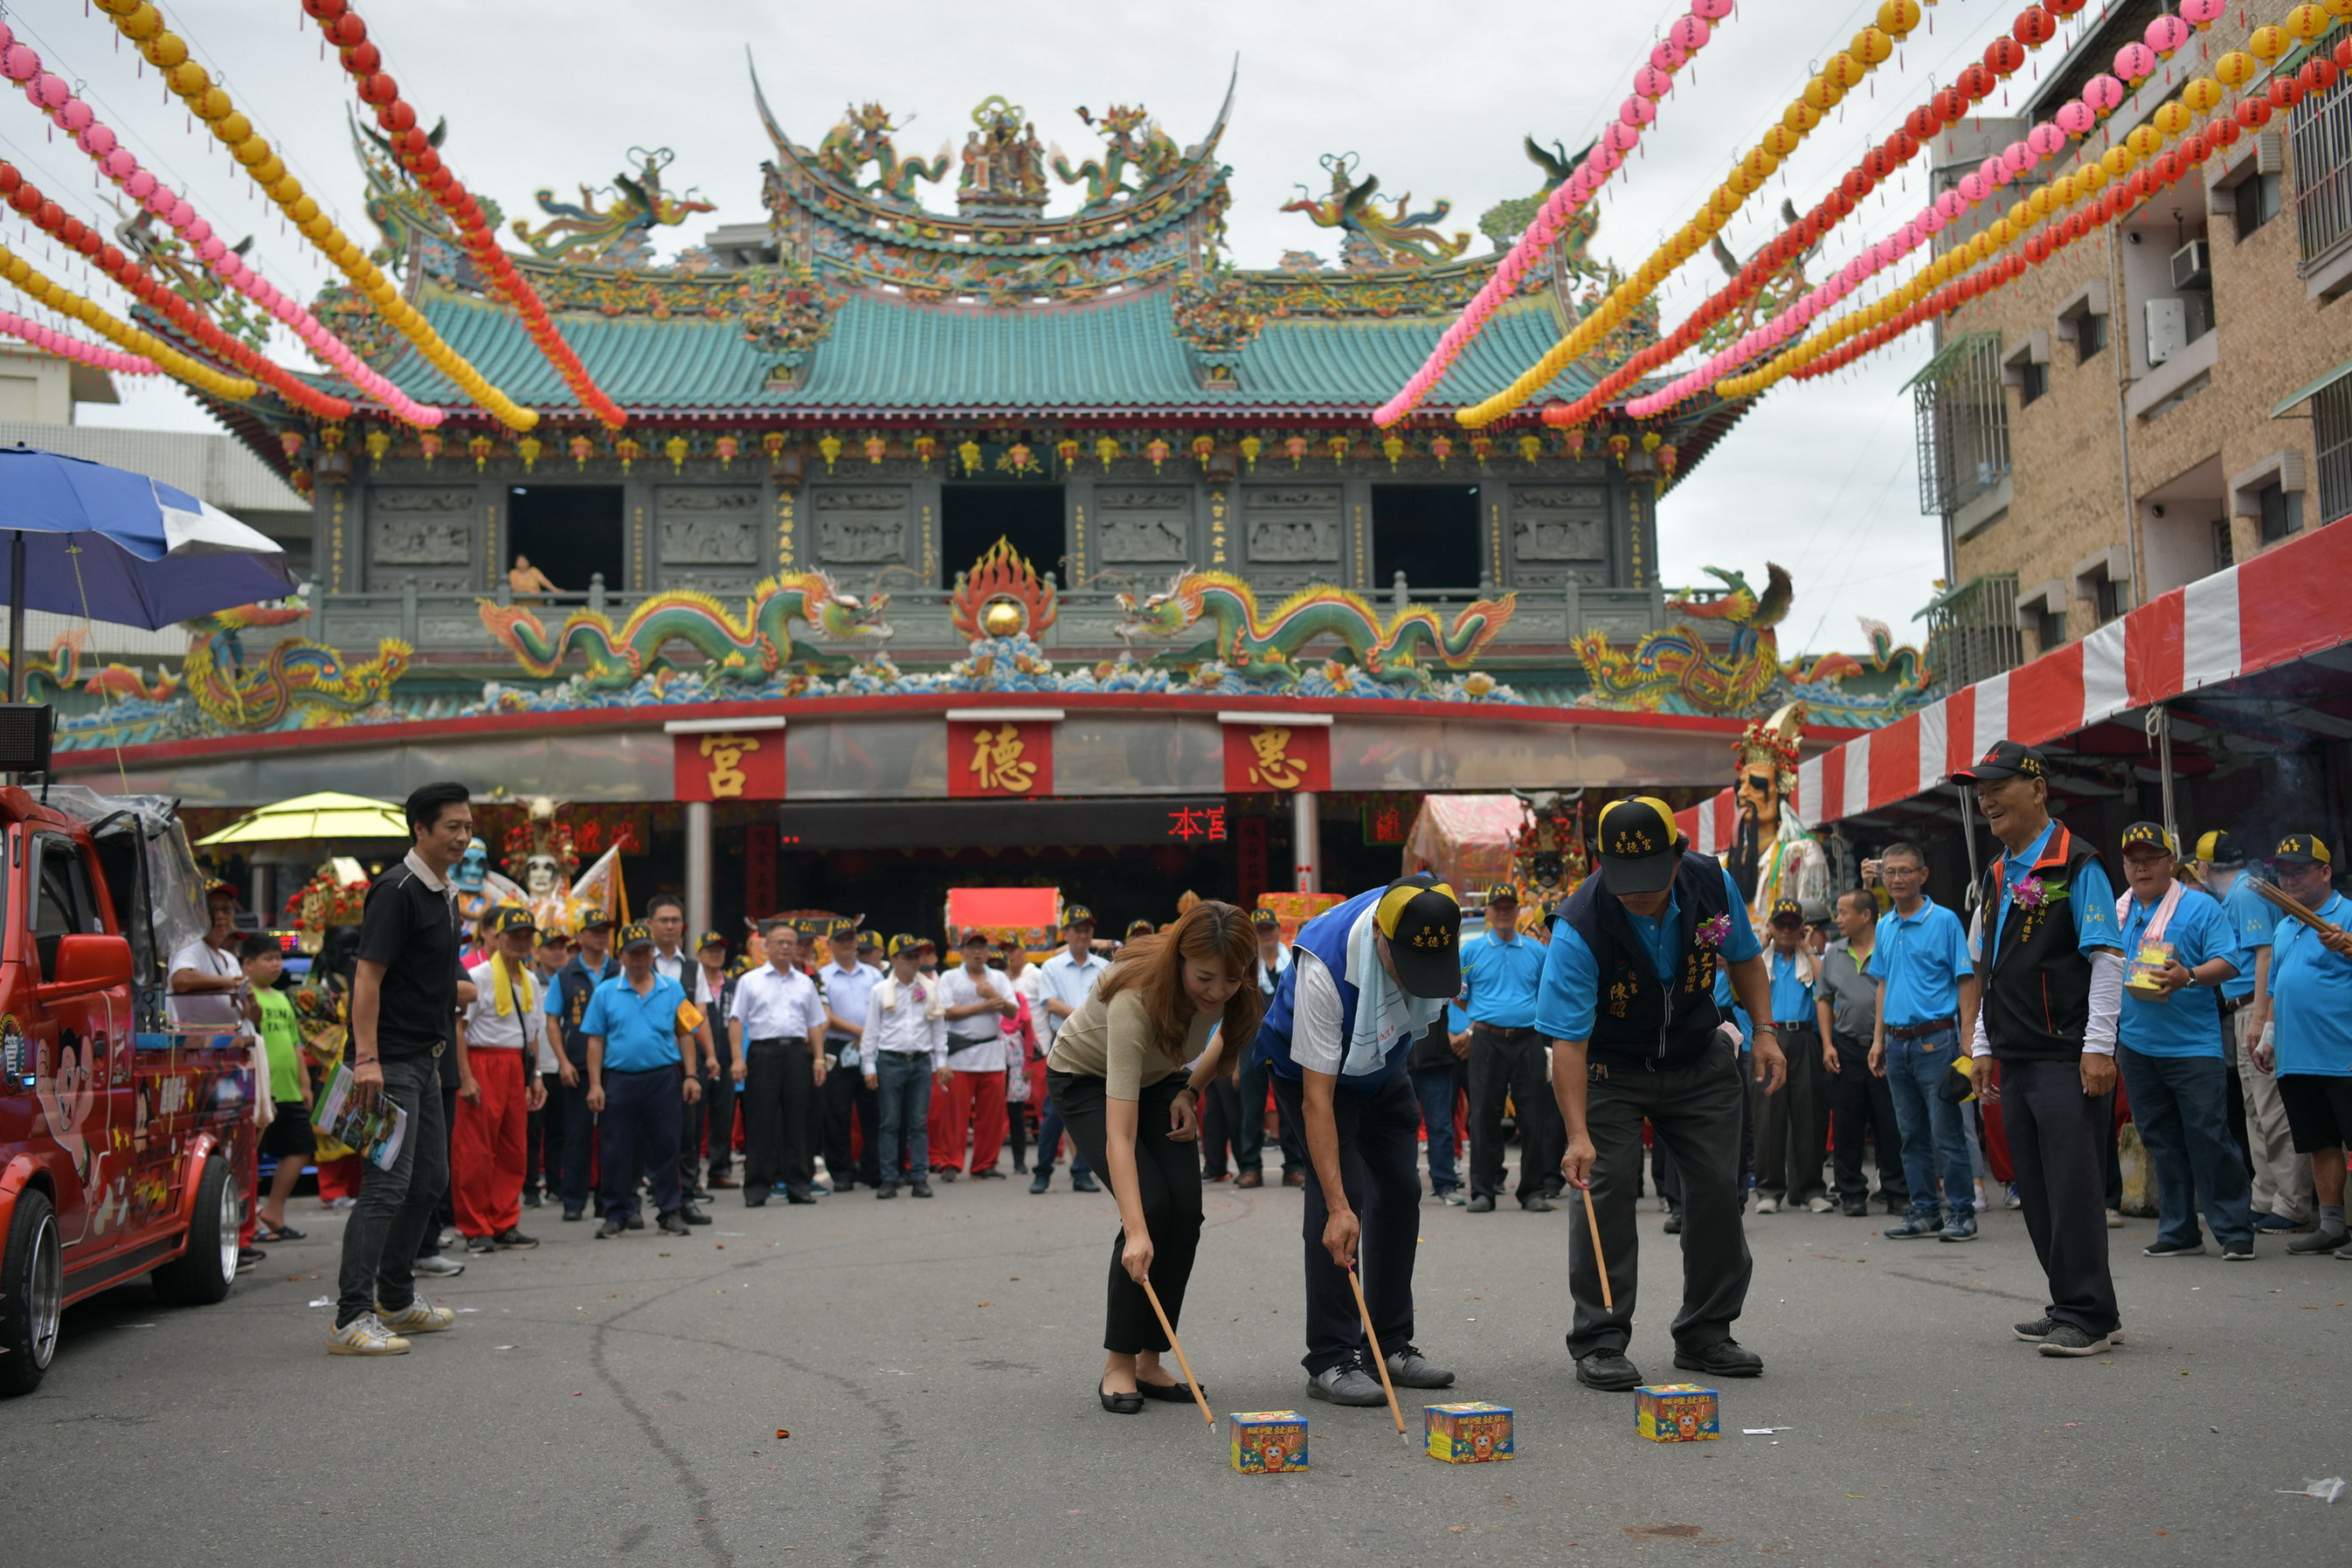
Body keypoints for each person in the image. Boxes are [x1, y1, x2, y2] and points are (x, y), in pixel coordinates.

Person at [1540, 796, 1781, 1392]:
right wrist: (1577, 1135)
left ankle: (1706, 1332)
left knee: (1718, 1191)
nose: (1637, 893)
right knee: (1606, 1192)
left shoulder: (1710, 883)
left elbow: (1744, 958)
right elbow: (1568, 1044)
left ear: (1678, 857)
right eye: (1624, 881)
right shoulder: (1580, 925)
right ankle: (1600, 1338)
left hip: (1699, 1059)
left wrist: (1766, 1032)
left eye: (1650, 878)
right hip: (1610, 1071)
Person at [1257, 874, 1465, 1407]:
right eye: (1403, 968)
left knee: (1401, 1190)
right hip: (1312, 1075)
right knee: (1341, 1203)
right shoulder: (1324, 965)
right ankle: (1331, 1357)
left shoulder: (1428, 911)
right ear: (1379, 935)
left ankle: (1389, 1344)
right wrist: (1336, 1205)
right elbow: (1318, 1100)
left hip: (1382, 1065)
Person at [1048, 902, 1262, 1413]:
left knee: (1185, 1211)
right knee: (1151, 1207)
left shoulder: (1240, 993)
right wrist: (1136, 1229)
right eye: (1205, 978)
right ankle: (1119, 1363)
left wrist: (1189, 1090)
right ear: (1180, 962)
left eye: (1230, 981)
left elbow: (1224, 1047)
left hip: (1160, 1076)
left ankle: (1150, 1359)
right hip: (1087, 1081)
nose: (1216, 993)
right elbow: (1119, 1136)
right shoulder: (1135, 999)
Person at [1956, 742, 2125, 1357]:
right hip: (2015, 1052)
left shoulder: (2080, 865)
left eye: (1999, 785)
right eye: (1981, 790)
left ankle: (2088, 1315)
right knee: (2037, 1186)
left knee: (2074, 1185)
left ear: (2038, 787)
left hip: (2065, 1053)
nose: (1987, 799)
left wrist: (2098, 1046)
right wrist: (1980, 1044)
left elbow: (2106, 957)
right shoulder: (1998, 872)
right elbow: (1988, 967)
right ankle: (2071, 1303)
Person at [330, 781, 473, 1357]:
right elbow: (367, 976)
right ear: (420, 828)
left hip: (429, 1058)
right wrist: (365, 1057)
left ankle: (395, 1296)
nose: (462, 836)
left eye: (467, 826)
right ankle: (350, 1316)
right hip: (387, 1061)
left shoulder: (444, 891)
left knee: (431, 1181)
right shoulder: (398, 889)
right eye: (451, 828)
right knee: (386, 1186)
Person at [2110, 822, 2253, 1260]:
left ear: (2171, 862)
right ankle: (2178, 1229)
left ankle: (2233, 1229)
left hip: (2193, 1047)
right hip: (2135, 1044)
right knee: (2160, 1138)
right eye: (2133, 860)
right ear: (2124, 866)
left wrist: (2187, 975)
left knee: (2209, 1134)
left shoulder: (2199, 906)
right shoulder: (2117, 911)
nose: (2142, 867)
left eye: (2151, 858)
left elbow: (2229, 961)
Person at [1869, 839, 1982, 1242]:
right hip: (1897, 1045)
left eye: (1905, 871)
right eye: (1890, 872)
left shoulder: (1945, 921)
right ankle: (1924, 1210)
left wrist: (1968, 1039)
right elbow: (1883, 984)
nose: (1897, 879)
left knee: (1946, 1132)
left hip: (1937, 1041)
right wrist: (1878, 1039)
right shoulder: (1884, 925)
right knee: (1911, 1133)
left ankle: (1962, 1212)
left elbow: (1966, 980)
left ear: (1923, 875)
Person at [2200, 832, 2312, 1233]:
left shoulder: (2246, 893)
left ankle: (2291, 1201)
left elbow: (2264, 953)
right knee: (2255, 1108)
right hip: (2244, 1008)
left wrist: (2261, 1018)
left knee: (2270, 1108)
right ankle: (2267, 1195)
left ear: (2205, 868)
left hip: (2253, 1006)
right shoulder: (2245, 890)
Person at [2252, 832, 2352, 1258]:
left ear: (2326, 872)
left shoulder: (2346, 914)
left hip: (2343, 1053)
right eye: (2283, 873)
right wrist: (2268, 1037)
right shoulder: (2286, 924)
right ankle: (2332, 1223)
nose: (2289, 880)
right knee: (2319, 1141)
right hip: (2298, 1056)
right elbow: (2276, 988)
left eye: (2299, 870)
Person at [582, 922, 709, 1237]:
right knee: (615, 1149)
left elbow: (687, 1033)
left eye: (645, 952)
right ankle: (617, 1212)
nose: (640, 959)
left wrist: (691, 1075)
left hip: (663, 1078)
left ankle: (669, 1211)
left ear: (652, 954)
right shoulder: (605, 992)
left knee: (668, 1145)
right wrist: (596, 1084)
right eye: (633, 953)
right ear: (621, 956)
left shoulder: (673, 988)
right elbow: (595, 1041)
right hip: (620, 1080)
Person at [453, 904, 547, 1255]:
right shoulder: (477, 976)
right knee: (476, 1149)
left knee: (514, 1149)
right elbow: (459, 1028)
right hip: (482, 1063)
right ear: (498, 937)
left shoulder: (532, 979)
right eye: (514, 935)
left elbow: (533, 1031)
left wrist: (535, 1075)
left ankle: (505, 1221)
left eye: (527, 935)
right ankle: (475, 1227)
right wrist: (466, 1076)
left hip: (515, 1065)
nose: (521, 942)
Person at [1457, 887, 1556, 1214]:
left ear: (1517, 911)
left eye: (1509, 907)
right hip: (1487, 1040)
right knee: (1484, 1115)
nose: (1503, 912)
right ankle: (1483, 1191)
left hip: (1528, 1040)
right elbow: (1458, 994)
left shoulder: (1536, 951)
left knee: (1533, 1117)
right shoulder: (1471, 951)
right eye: (1497, 907)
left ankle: (1533, 1190)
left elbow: (1547, 992)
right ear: (1487, 911)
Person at [1815, 889, 1908, 1218]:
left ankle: (1897, 1190)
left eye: (1843, 913)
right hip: (1847, 1048)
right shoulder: (1834, 953)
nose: (1837, 919)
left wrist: (1881, 1042)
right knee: (1847, 1123)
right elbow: (1823, 998)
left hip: (1886, 1046)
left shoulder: (1888, 947)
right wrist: (1828, 1044)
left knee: (1891, 1122)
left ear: (1866, 916)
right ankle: (1851, 1191)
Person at [729, 918, 829, 1206]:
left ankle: (798, 1185)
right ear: (767, 946)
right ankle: (757, 1187)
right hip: (763, 1054)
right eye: (780, 942)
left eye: (790, 942)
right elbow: (736, 1021)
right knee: (761, 1120)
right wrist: (738, 1057)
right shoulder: (751, 980)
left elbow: (814, 1024)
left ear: (796, 947)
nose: (785, 947)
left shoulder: (805, 983)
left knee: (798, 1120)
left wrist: (819, 1059)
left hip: (797, 1054)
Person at [1748, 898, 1825, 1214]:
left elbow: (1827, 987)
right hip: (1770, 1037)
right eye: (1781, 924)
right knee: (1768, 1115)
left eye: (1794, 924)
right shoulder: (1757, 961)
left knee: (1810, 1115)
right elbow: (1738, 993)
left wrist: (1808, 949)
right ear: (1770, 927)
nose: (1787, 930)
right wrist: (1759, 945)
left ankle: (1809, 1189)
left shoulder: (1810, 960)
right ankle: (1769, 1188)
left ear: (1802, 928)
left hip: (1805, 1036)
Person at [542, 909, 617, 1221]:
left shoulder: (619, 969)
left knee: (614, 1136)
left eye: (605, 930)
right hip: (577, 1065)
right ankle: (573, 1201)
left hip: (615, 1065)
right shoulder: (566, 974)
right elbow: (552, 1022)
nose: (600, 936)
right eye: (594, 930)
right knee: (577, 1136)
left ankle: (608, 1199)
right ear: (581, 936)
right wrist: (562, 1062)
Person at [863, 934, 949, 1198]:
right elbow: (872, 1030)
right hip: (890, 1060)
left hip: (921, 1060)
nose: (913, 962)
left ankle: (919, 1177)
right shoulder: (880, 990)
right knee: (889, 1122)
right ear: (893, 960)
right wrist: (868, 1065)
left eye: (916, 957)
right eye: (907, 957)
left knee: (918, 1122)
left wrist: (942, 1062)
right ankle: (889, 1177)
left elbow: (938, 1028)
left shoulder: (929, 988)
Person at [1033, 909, 1107, 1193]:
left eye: (1087, 929)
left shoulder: (1103, 966)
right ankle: (1043, 1170)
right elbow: (1050, 1003)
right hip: (1063, 1043)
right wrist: (1085, 1017)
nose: (1082, 934)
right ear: (1066, 934)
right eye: (1076, 929)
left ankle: (1082, 1172)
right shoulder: (1051, 966)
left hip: (1095, 1045)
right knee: (1054, 1112)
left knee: (1092, 1109)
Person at [938, 930, 1020, 1178]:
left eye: (982, 947)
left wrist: (994, 996)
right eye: (971, 947)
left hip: (992, 1055)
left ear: (988, 952)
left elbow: (1012, 1012)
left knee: (991, 1116)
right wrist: (984, 1006)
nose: (977, 952)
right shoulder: (950, 977)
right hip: (961, 1054)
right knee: (955, 1115)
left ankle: (984, 1163)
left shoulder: (998, 978)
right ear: (961, 951)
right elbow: (946, 1011)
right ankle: (951, 1162)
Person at [249, 936, 314, 1244]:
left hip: (289, 1090)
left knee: (301, 1147)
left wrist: (305, 1084)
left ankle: (274, 1211)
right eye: (267, 958)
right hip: (260, 1091)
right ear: (247, 964)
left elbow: (296, 1044)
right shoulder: (246, 998)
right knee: (250, 1156)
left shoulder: (282, 998)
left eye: (278, 958)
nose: (276, 964)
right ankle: (246, 1221)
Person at [1239, 907, 1310, 1190]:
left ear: (1279, 930)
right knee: (1252, 1108)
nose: (1265, 933)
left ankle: (1293, 1166)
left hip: (1287, 1042)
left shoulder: (1294, 960)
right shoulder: (1245, 966)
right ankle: (1250, 1167)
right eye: (1260, 930)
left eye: (1269, 928)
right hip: (1250, 1043)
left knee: (1289, 1106)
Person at [817, 922, 882, 1193]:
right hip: (838, 1045)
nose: (846, 943)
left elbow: (885, 1009)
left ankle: (873, 1168)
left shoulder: (874, 976)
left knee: (875, 1111)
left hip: (871, 1047)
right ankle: (842, 1171)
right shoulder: (823, 976)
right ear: (830, 944)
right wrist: (859, 1031)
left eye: (850, 938)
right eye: (840, 939)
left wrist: (868, 1035)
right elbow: (825, 1016)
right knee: (837, 1113)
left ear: (857, 942)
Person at [686, 930, 740, 1194]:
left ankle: (719, 1170)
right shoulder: (693, 985)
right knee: (694, 1120)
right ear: (699, 955)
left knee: (723, 1118)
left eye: (720, 949)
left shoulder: (733, 986)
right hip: (698, 1060)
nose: (716, 954)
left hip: (727, 1060)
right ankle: (692, 1173)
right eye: (710, 949)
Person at [522, 925, 571, 1210]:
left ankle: (556, 1183)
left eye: (562, 947)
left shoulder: (569, 980)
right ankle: (530, 1187)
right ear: (538, 951)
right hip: (538, 1067)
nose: (557, 952)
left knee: (559, 1132)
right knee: (532, 1132)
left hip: (563, 1066)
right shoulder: (530, 980)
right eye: (551, 947)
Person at [1406, 1015, 1464, 1204]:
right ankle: (1400, 1185)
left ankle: (1445, 1184)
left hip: (1436, 1061)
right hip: (1400, 1063)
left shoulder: (1438, 985)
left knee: (1440, 1127)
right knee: (1399, 1129)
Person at [646, 895, 690, 986]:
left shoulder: (695, 968)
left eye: (675, 920)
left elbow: (701, 1001)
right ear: (650, 924)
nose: (670, 926)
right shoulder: (636, 963)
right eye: (664, 920)